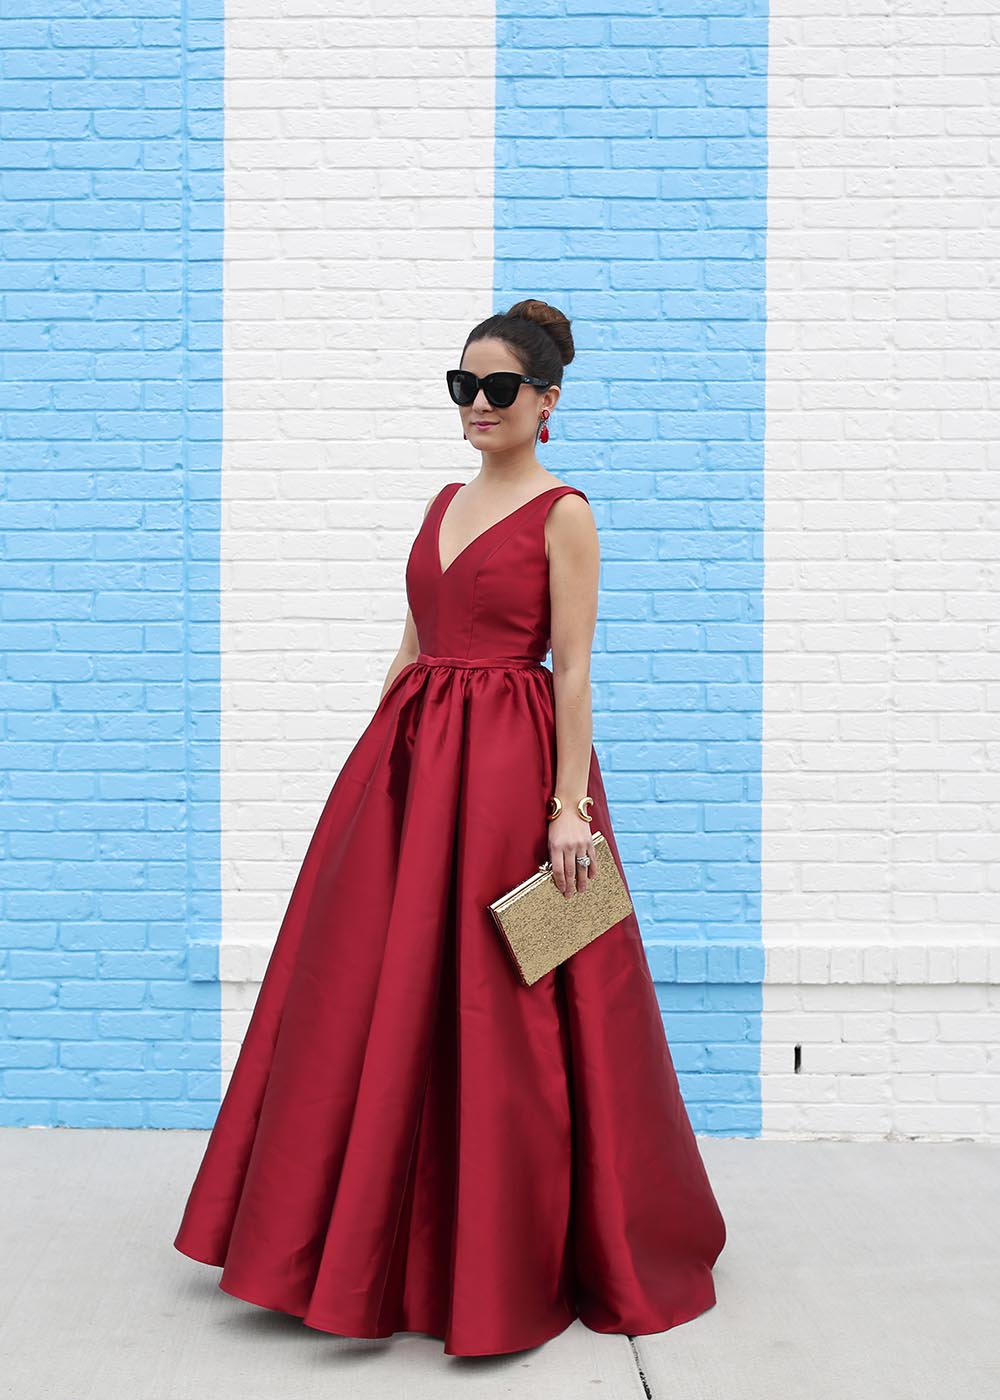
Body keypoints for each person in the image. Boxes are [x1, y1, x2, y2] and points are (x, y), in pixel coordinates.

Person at [173, 298, 727, 1357]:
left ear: (547, 399)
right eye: (462, 385)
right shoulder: (441, 501)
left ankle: (514, 1251)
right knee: (371, 987)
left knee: (510, 991)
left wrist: (569, 811)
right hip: (412, 767)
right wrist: (374, 762)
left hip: (512, 774)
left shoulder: (566, 511)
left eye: (500, 387)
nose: (478, 404)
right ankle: (344, 1238)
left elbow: (573, 672)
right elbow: (415, 640)